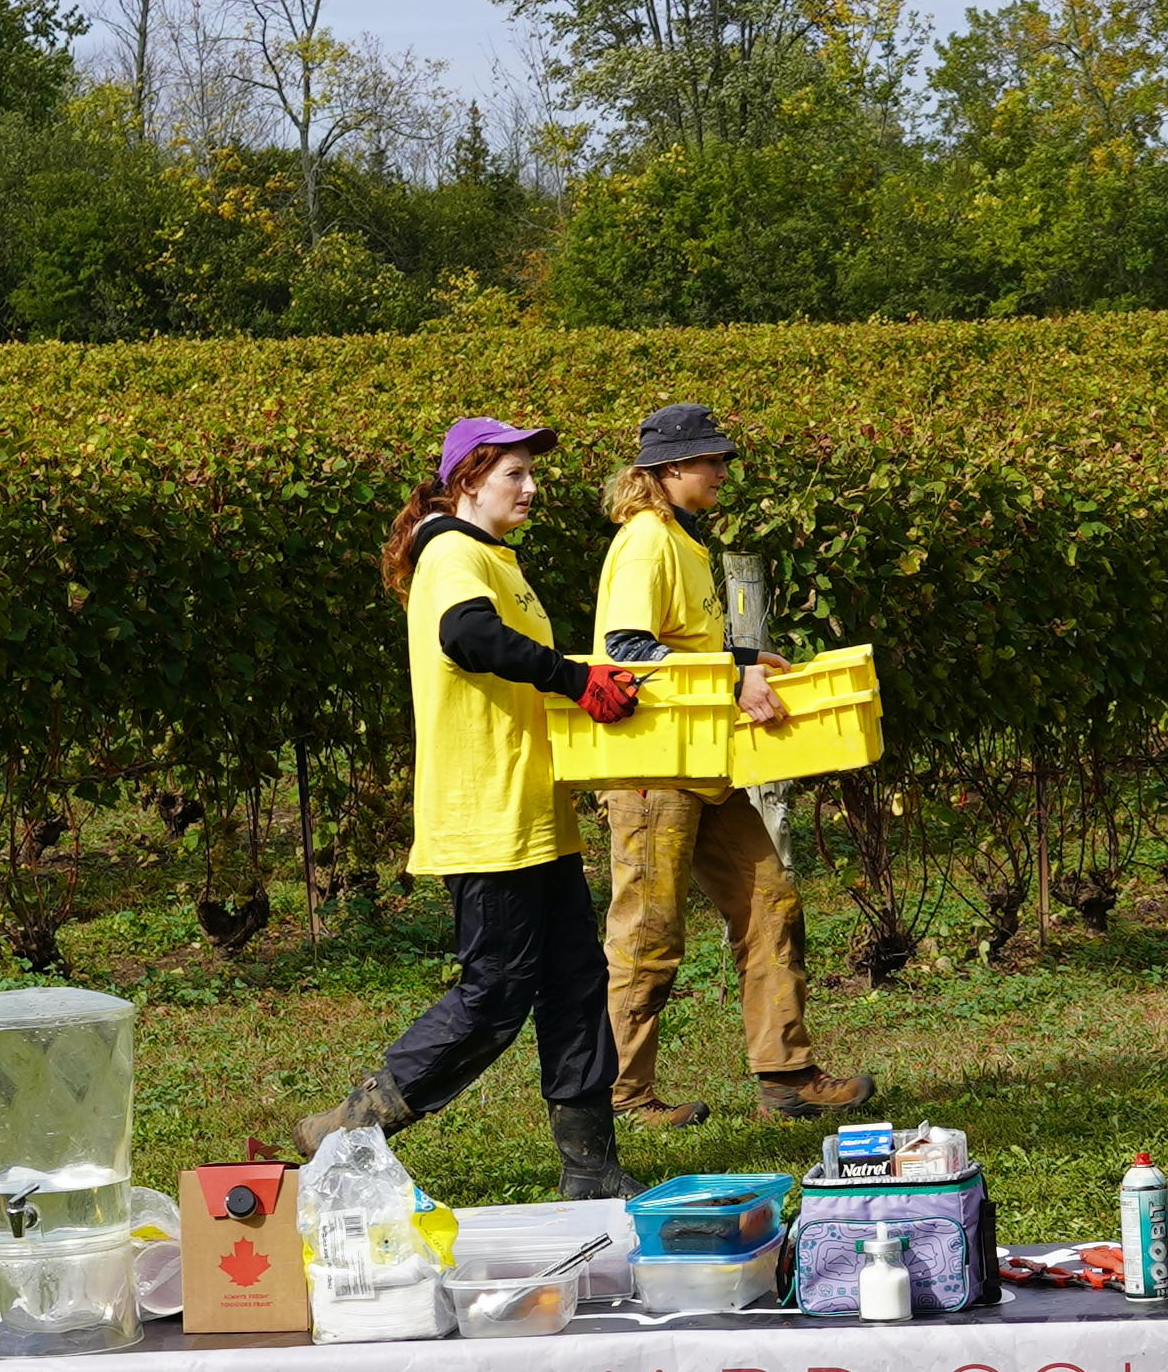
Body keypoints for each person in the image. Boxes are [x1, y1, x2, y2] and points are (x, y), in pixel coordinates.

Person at [298, 417, 643, 1204]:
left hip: (533, 809)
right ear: (468, 482)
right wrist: (569, 679)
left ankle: (589, 1167)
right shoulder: (450, 550)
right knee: (494, 996)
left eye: (531, 474)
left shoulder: (492, 556)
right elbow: (467, 635)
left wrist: (590, 683)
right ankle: (349, 1128)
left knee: (575, 983)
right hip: (484, 815)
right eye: (514, 474)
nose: (531, 487)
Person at [589, 400, 872, 1131]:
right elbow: (625, 648)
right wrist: (728, 677)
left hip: (701, 759)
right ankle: (618, 1095)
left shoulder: (682, 537)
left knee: (770, 899)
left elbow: (676, 642)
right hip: (652, 765)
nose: (721, 470)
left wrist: (743, 660)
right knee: (648, 930)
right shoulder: (645, 540)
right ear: (667, 468)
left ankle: (786, 1073)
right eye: (709, 459)